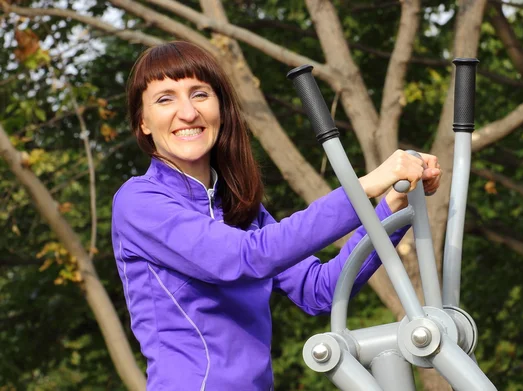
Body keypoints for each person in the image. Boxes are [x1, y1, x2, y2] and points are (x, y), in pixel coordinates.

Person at [111, 41, 442, 390]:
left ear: (220, 108)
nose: (188, 112)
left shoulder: (238, 207)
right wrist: (364, 187)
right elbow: (245, 257)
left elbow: (320, 289)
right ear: (143, 122)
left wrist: (389, 206)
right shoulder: (140, 202)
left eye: (199, 94)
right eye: (165, 99)